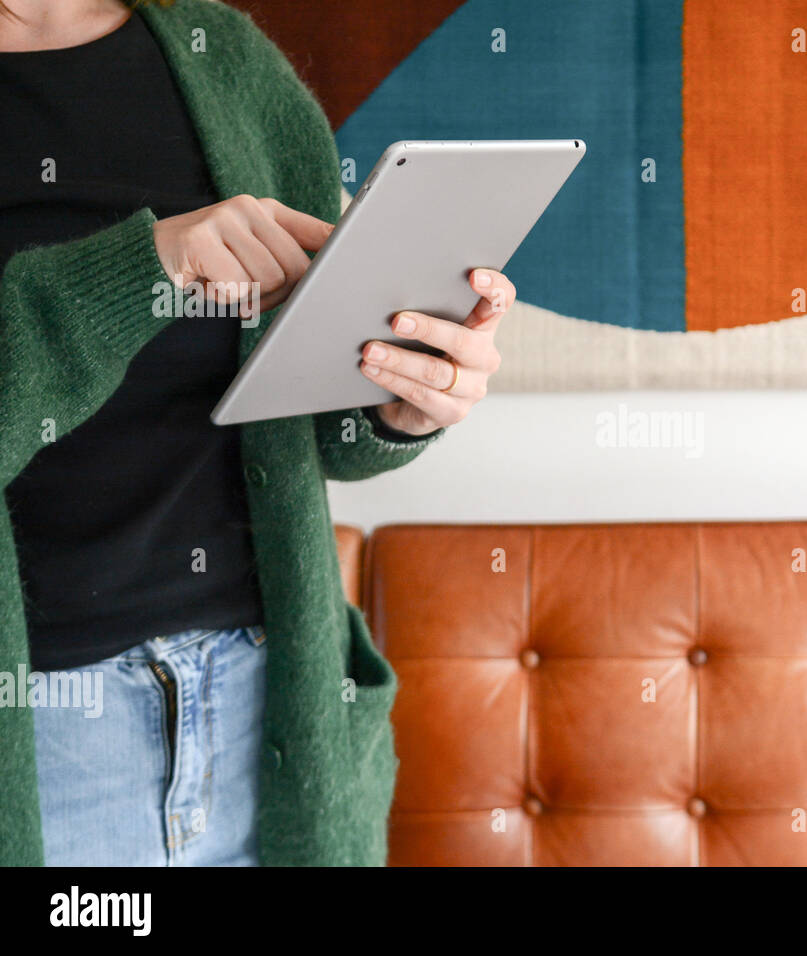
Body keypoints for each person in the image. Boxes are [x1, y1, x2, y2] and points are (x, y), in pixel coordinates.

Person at [0, 0, 513, 865]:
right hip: (48, 739)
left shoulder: (222, 54)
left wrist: (400, 402)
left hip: (272, 708)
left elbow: (321, 421)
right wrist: (148, 266)